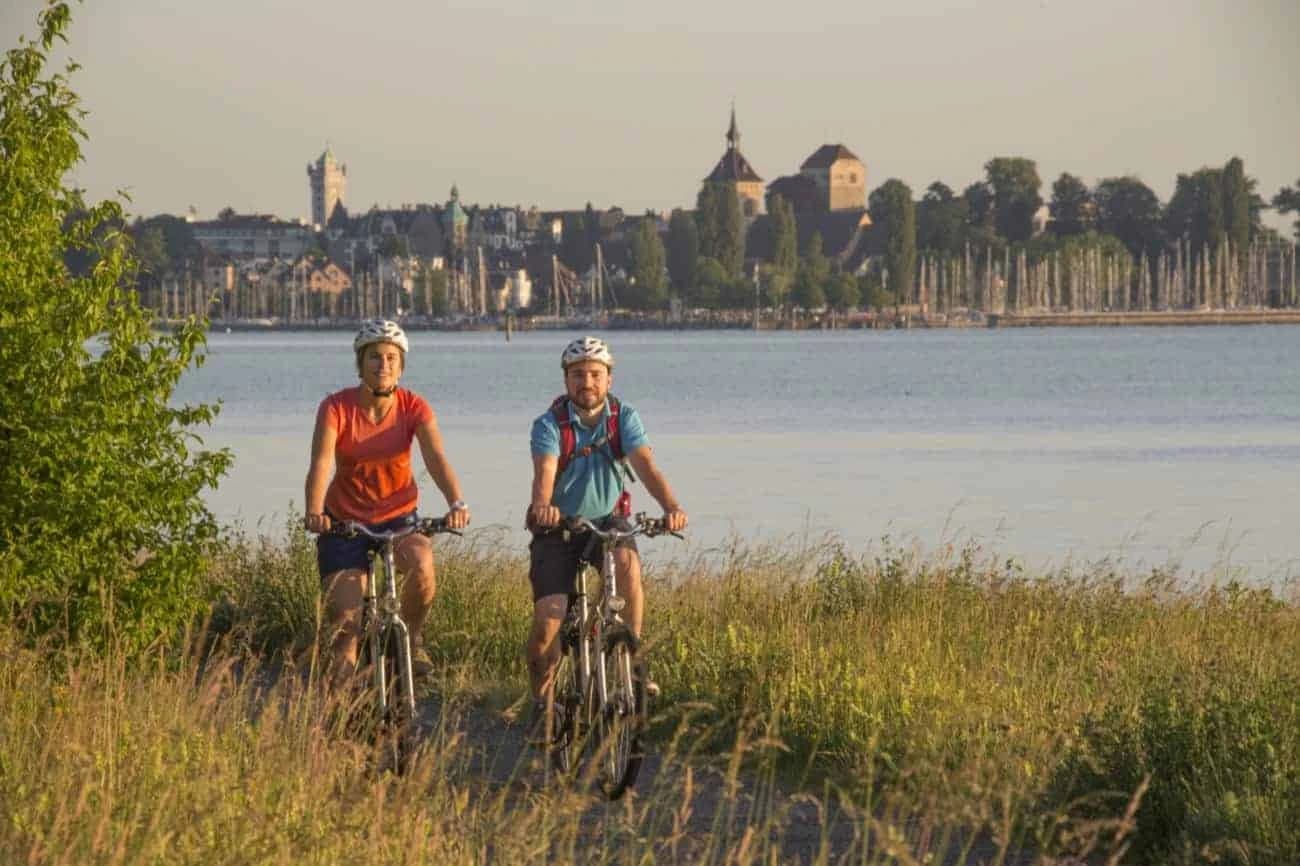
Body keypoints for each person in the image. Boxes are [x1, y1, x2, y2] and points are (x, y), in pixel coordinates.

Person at [525, 335, 687, 741]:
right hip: (558, 526)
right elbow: (544, 472)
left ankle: (628, 659)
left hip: (609, 520)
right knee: (550, 617)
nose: (587, 383)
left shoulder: (623, 418)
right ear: (566, 380)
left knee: (628, 570)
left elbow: (645, 465)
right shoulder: (550, 425)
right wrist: (543, 506)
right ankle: (542, 705)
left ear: (609, 379)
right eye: (578, 375)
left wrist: (671, 507)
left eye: (595, 375)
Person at [304, 319, 470, 685]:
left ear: (402, 364)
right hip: (344, 522)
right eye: (375, 358)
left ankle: (410, 639)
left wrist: (456, 503)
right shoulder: (336, 407)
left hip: (398, 518)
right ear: (360, 364)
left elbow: (436, 457)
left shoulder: (414, 407)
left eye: (392, 358)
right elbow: (321, 462)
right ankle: (340, 717)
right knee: (347, 629)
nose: (384, 366)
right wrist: (315, 511)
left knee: (423, 566)